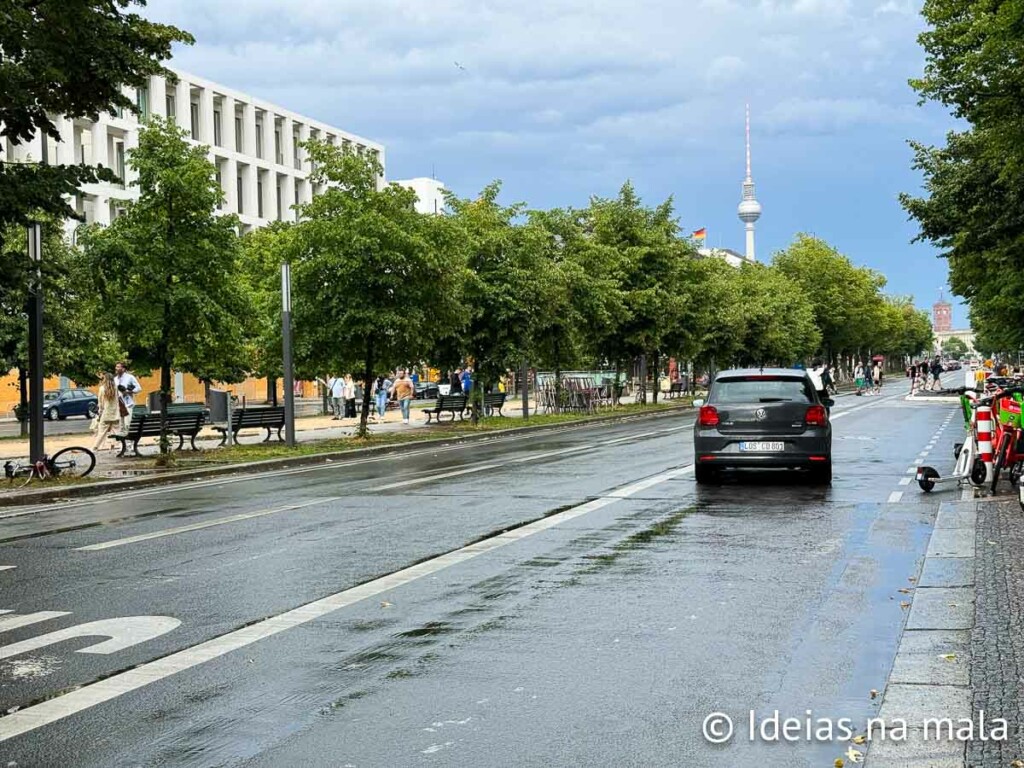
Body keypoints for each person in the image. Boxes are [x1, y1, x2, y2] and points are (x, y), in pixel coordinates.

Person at [91, 373, 122, 450]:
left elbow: (100, 403)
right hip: (116, 413)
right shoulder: (116, 388)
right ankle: (118, 445)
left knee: (101, 432)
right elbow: (119, 400)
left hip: (106, 414)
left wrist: (100, 412)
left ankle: (95, 447)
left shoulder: (102, 389)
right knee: (116, 431)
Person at [113, 361, 141, 432]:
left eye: (118, 367)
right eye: (116, 367)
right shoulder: (115, 379)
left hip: (128, 403)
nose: (116, 368)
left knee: (127, 423)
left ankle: (129, 440)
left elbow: (138, 388)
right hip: (118, 403)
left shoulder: (130, 377)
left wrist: (128, 391)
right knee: (120, 424)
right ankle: (122, 441)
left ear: (123, 369)